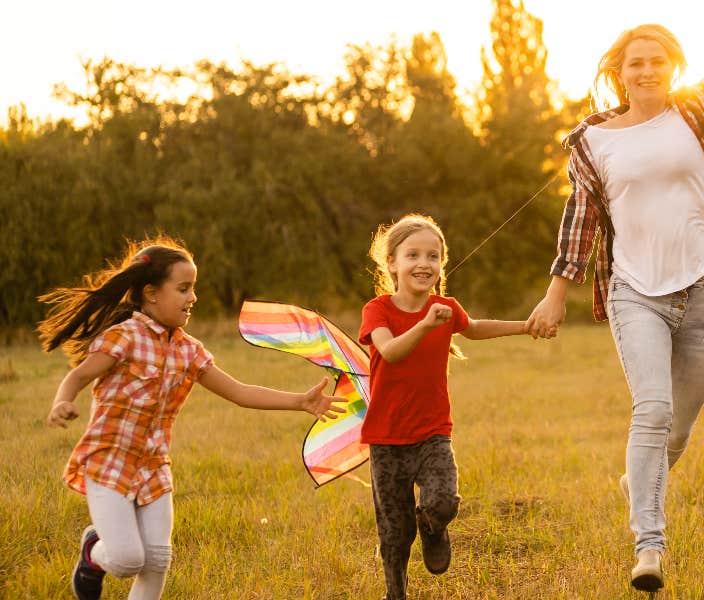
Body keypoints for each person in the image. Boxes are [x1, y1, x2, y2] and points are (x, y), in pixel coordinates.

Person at [525, 1, 704, 591]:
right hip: (635, 294)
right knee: (652, 412)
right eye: (635, 64)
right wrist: (556, 295)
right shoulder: (592, 140)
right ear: (618, 72)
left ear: (674, 66)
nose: (646, 71)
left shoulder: (698, 109)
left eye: (656, 62)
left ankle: (637, 478)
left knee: (678, 432)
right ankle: (648, 548)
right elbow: (581, 220)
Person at [40, 237, 344, 600]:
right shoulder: (125, 337)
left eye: (193, 289)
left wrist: (300, 402)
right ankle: (94, 552)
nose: (193, 298)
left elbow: (239, 391)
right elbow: (78, 376)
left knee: (157, 560)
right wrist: (62, 401)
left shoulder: (188, 350)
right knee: (126, 559)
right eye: (183, 288)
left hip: (153, 468)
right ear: (151, 293)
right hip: (109, 461)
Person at [359, 214, 528, 600]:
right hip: (386, 439)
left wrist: (524, 326)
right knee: (395, 532)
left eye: (433, 256)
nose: (424, 263)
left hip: (433, 431)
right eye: (413, 254)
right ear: (392, 265)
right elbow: (390, 351)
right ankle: (395, 593)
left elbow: (475, 327)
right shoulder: (377, 310)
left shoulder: (445, 307)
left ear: (441, 265)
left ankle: (433, 528)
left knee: (443, 500)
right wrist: (424, 325)